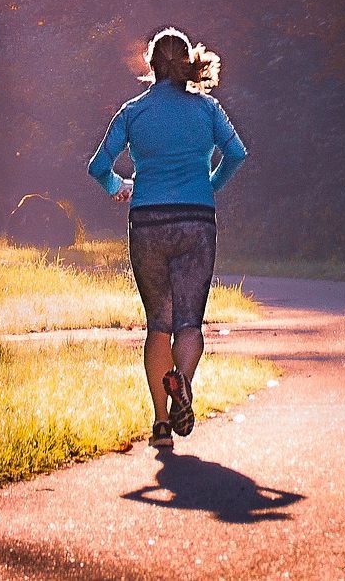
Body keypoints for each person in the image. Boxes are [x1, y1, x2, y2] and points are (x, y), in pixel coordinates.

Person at [87, 27, 248, 450]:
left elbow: (97, 165)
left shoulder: (132, 112)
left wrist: (118, 185)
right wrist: (210, 183)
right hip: (196, 221)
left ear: (150, 64)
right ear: (187, 63)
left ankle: (161, 424)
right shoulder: (208, 110)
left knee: (159, 323)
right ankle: (183, 384)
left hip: (148, 222)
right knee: (189, 322)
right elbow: (237, 153)